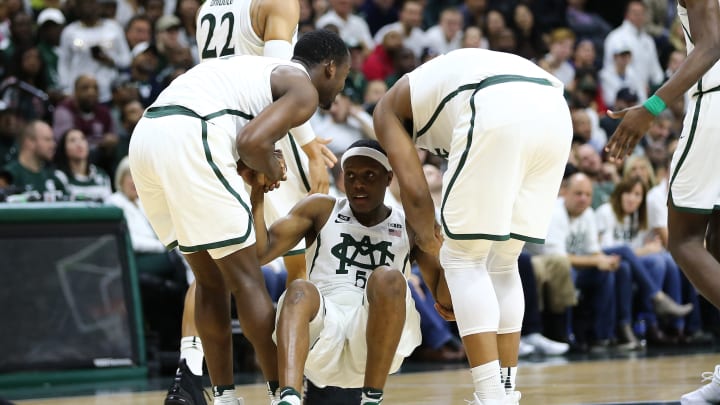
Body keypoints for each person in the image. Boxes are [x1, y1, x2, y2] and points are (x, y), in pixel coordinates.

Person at [129, 29, 349, 405]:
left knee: (210, 280)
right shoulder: (303, 89)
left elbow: (247, 143)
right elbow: (251, 142)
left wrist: (259, 162)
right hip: (191, 134)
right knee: (248, 281)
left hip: (146, 139)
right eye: (344, 76)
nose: (342, 87)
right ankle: (283, 393)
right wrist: (274, 168)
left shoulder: (257, 72)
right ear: (329, 68)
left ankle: (227, 398)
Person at [372, 48, 573, 404]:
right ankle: (506, 392)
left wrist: (441, 278)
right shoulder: (440, 84)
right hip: (556, 109)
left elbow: (416, 197)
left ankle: (491, 395)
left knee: (464, 258)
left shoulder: (387, 109)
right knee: (504, 260)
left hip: (496, 101)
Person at [247, 140, 444, 405]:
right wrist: (257, 196)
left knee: (388, 277)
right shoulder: (321, 208)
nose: (358, 184)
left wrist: (441, 251)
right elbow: (260, 254)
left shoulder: (409, 224)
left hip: (377, 337)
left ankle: (372, 398)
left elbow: (447, 302)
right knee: (298, 288)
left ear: (388, 178)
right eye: (350, 176)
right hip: (324, 333)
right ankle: (289, 398)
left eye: (368, 176)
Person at [607, 1, 720, 401]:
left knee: (684, 241)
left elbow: (710, 46)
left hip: (715, 106)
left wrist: (651, 108)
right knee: (717, 248)